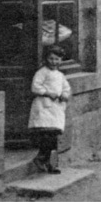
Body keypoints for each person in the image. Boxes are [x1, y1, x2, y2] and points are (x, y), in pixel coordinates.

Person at [29, 45, 71, 174]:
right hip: (44, 106)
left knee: (54, 136)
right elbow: (35, 87)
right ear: (46, 59)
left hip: (56, 108)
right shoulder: (42, 72)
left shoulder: (60, 75)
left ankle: (50, 162)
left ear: (61, 60)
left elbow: (66, 88)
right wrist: (47, 93)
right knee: (47, 135)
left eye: (57, 59)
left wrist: (65, 95)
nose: (54, 62)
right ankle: (43, 158)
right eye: (51, 59)